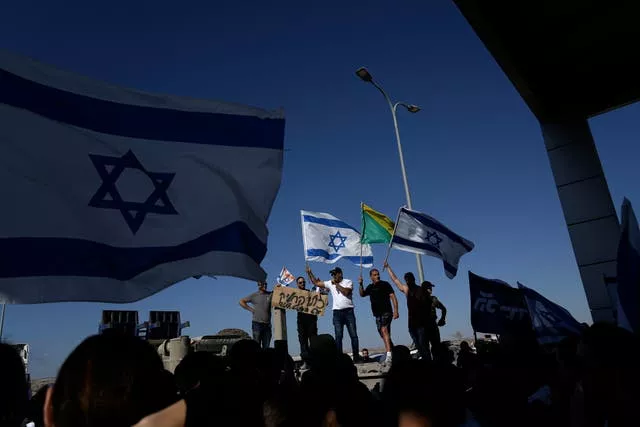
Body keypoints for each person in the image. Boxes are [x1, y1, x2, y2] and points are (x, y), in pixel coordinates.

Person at [306, 265, 360, 361]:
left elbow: (346, 292)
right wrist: (310, 273)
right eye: (332, 275)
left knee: (353, 335)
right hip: (337, 313)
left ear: (340, 274)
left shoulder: (348, 282)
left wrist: (336, 284)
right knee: (338, 336)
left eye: (335, 274)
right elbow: (317, 283)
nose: (333, 276)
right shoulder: (330, 283)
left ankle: (356, 357)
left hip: (349, 312)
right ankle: (338, 358)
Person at [384, 261, 430, 360]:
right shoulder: (406, 289)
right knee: (417, 342)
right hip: (412, 321)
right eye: (406, 279)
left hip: (421, 321)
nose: (408, 281)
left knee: (423, 342)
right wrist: (388, 268)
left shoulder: (420, 290)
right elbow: (395, 280)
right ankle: (422, 356)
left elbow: (426, 305)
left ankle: (427, 360)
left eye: (409, 279)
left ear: (413, 279)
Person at [359, 268, 399, 363]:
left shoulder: (385, 284)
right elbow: (362, 294)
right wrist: (360, 284)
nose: (377, 276)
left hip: (387, 312)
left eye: (378, 274)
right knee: (384, 334)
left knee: (384, 329)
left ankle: (389, 355)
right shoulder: (370, 287)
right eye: (375, 275)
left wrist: (396, 310)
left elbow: (393, 296)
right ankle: (393, 352)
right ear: (371, 277)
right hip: (377, 315)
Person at [239, 280, 273, 349]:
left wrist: (280, 286)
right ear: (259, 285)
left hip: (267, 325)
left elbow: (278, 293)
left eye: (266, 284)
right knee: (256, 346)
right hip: (257, 324)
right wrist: (250, 309)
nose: (265, 286)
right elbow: (241, 301)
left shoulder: (270, 294)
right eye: (263, 284)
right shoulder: (254, 295)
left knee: (266, 347)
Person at [294, 276, 318, 368]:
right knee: (303, 342)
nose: (302, 283)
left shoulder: (310, 293)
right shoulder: (294, 294)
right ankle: (305, 362)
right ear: (297, 284)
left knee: (313, 342)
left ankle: (314, 362)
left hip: (311, 321)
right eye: (300, 282)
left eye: (303, 282)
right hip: (301, 321)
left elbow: (320, 303)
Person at [422, 281, 447, 360]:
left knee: (436, 347)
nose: (431, 289)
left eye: (430, 288)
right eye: (429, 288)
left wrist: (442, 319)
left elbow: (443, 309)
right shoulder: (419, 299)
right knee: (425, 348)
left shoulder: (433, 299)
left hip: (431, 325)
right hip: (423, 327)